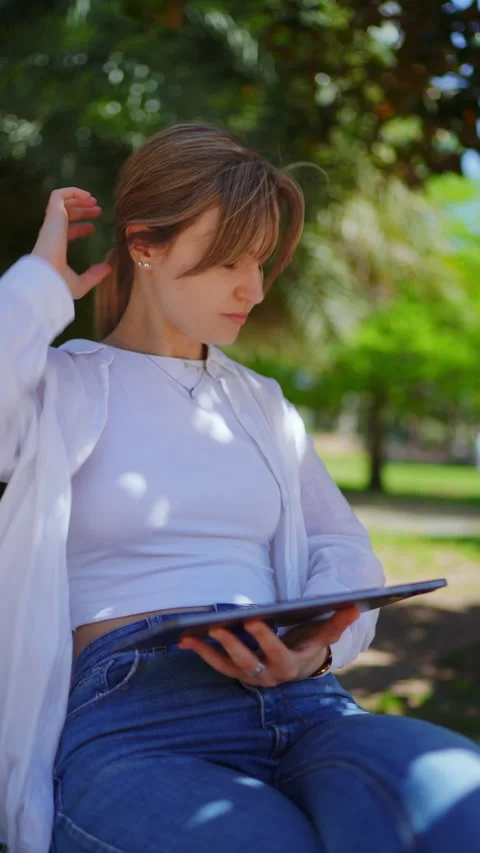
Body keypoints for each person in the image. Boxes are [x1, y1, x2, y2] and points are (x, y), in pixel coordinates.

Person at [0, 123, 479, 853]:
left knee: (454, 803)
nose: (252, 289)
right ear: (143, 246)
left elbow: (338, 542)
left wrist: (317, 650)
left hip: (302, 697)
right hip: (135, 717)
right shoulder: (60, 384)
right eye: (228, 261)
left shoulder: (261, 402)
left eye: (261, 262)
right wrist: (38, 288)